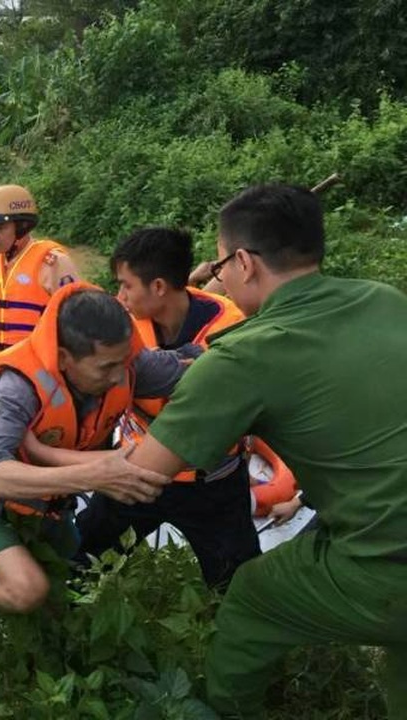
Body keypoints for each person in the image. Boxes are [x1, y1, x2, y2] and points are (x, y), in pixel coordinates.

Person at [119, 184, 407, 718]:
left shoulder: (244, 355)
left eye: (224, 263)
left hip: (387, 567)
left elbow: (141, 473)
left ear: (246, 263)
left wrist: (34, 465)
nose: (220, 275)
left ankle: (230, 710)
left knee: (250, 594)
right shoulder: (384, 299)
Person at [0, 281, 188, 623]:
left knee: (71, 581)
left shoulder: (124, 364)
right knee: (29, 590)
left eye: (125, 361)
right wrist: (92, 476)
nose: (120, 377)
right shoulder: (17, 386)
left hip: (50, 501)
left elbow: (189, 370)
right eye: (105, 367)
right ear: (64, 358)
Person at [77, 227, 259, 588]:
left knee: (237, 585)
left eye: (126, 285)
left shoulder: (231, 328)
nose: (120, 295)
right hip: (136, 471)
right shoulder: (123, 324)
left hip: (211, 484)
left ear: (158, 287)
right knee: (82, 555)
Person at [0, 184, 81, 357]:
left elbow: (78, 320)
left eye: (0, 228)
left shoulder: (53, 264)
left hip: (36, 365)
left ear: (22, 227)